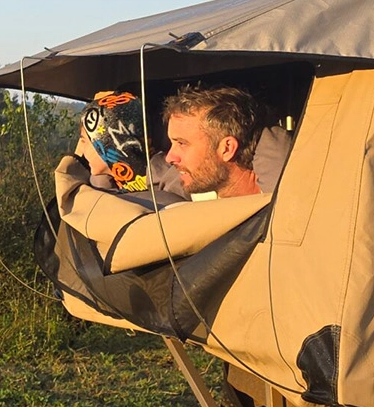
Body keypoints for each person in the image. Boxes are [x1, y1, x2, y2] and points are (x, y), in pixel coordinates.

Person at [57, 84, 281, 273]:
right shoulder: (187, 205)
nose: (170, 156)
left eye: (182, 143)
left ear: (227, 148)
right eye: (171, 143)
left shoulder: (285, 209)